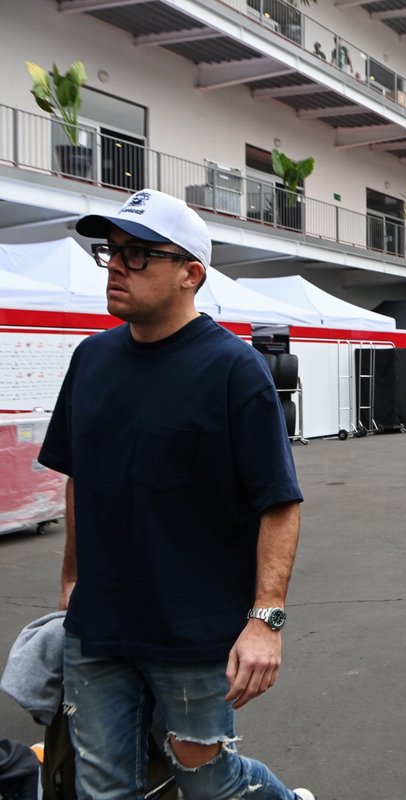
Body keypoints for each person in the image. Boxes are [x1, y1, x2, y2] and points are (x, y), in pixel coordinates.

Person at [36, 190, 313, 800]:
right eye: (111, 251)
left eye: (138, 255)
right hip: (100, 625)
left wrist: (265, 621)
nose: (115, 265)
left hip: (193, 630)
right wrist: (72, 579)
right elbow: (80, 475)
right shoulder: (91, 359)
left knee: (210, 784)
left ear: (191, 273)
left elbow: (279, 503)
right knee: (102, 788)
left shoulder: (234, 370)